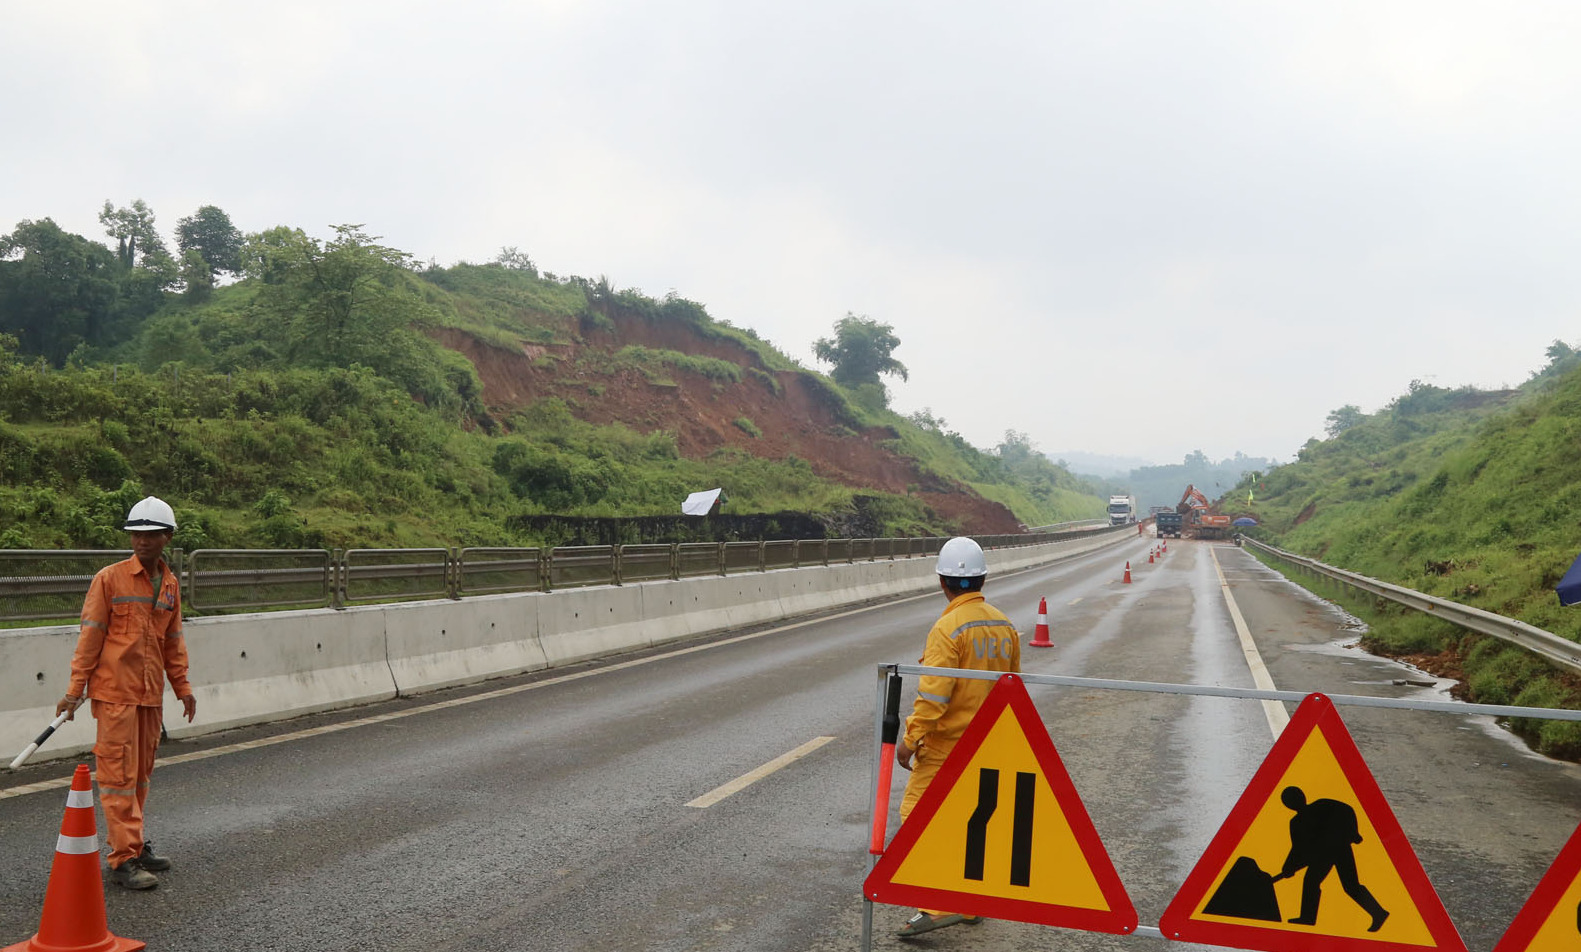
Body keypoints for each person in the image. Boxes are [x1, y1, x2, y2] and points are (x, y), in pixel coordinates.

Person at [55, 496, 196, 891]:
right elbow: (90, 637)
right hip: (115, 695)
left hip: (150, 696)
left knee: (140, 777)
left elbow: (173, 640)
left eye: (150, 535)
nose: (141, 542)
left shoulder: (169, 583)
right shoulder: (109, 579)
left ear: (167, 537)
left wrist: (182, 687)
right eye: (136, 534)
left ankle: (132, 844)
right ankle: (123, 858)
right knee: (118, 776)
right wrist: (73, 691)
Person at [893, 536, 1021, 938]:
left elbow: (933, 696)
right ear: (982, 578)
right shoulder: (1005, 626)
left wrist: (910, 739)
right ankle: (969, 901)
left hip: (947, 747)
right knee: (974, 824)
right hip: (989, 744)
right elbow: (1012, 687)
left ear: (943, 583)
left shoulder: (947, 628)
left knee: (917, 819)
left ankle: (937, 905)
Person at [1270, 786, 1389, 932]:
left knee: (1348, 885)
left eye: (1294, 797)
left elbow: (1346, 810)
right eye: (1290, 800)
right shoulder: (1296, 823)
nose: (1294, 801)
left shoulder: (1322, 805)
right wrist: (1288, 867)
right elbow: (1298, 849)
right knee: (1312, 883)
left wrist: (1353, 832)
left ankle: (1378, 913)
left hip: (1339, 849)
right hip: (1322, 856)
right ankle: (1307, 918)